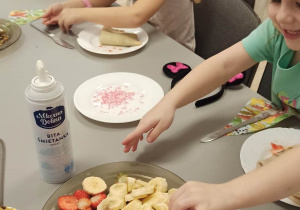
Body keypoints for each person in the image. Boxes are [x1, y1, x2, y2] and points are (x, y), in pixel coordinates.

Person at [122, 0, 300, 209]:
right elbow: (225, 64)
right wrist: (169, 102)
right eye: (277, 0)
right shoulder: (276, 32)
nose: (282, 17)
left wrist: (227, 193)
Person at [42, 0, 196, 51]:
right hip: (141, 41)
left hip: (172, 52)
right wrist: (78, 4)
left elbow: (136, 15)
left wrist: (80, 14)